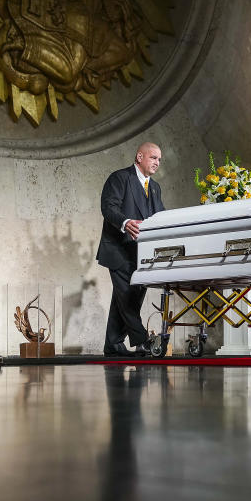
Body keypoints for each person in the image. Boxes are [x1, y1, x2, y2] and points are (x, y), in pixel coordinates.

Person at [96, 142, 166, 356]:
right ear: (139, 157)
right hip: (118, 250)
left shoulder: (155, 187)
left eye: (159, 160)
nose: (157, 163)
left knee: (126, 300)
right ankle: (143, 340)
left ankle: (113, 344)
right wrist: (125, 222)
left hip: (142, 255)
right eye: (153, 157)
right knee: (126, 297)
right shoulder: (120, 178)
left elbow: (160, 216)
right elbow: (108, 207)